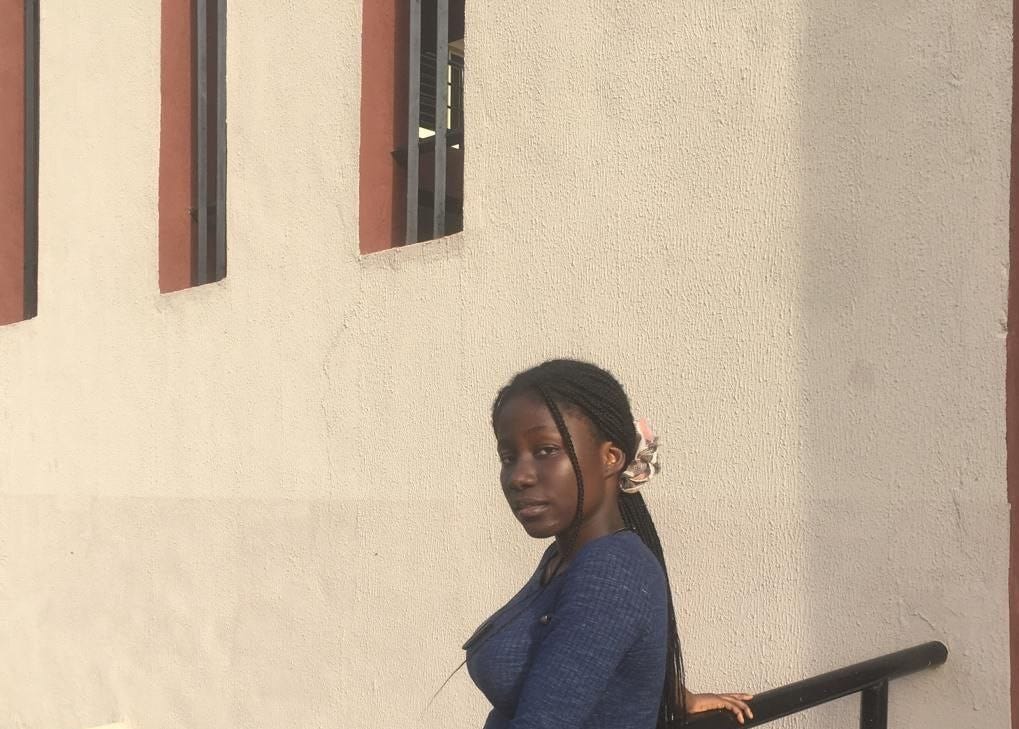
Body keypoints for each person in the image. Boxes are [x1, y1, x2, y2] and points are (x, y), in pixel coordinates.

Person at [464, 359, 754, 728]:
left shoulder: (610, 569)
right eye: (508, 457)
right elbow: (589, 658)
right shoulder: (565, 558)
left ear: (611, 458)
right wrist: (670, 692)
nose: (518, 476)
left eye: (545, 450)